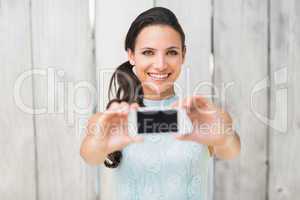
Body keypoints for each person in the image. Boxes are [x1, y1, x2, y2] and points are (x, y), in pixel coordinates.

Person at [80, 7, 240, 200]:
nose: (161, 64)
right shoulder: (110, 122)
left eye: (171, 52)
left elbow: (230, 151)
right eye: (148, 52)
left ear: (183, 55)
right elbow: (90, 155)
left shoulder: (202, 118)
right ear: (131, 55)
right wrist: (99, 142)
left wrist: (225, 137)